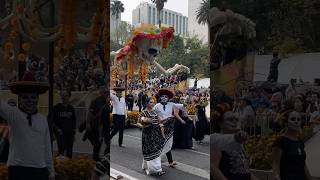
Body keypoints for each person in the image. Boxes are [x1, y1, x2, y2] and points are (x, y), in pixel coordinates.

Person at [0, 72, 55, 180]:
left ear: (37, 99)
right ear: (19, 99)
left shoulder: (42, 119)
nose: (30, 101)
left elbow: (47, 147)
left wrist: (51, 171)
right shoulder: (13, 114)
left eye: (33, 97)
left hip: (40, 170)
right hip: (18, 169)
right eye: (25, 97)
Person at [211, 111, 258, 180]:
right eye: (230, 119)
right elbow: (213, 168)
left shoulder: (238, 143)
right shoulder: (216, 139)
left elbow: (244, 170)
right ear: (220, 123)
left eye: (236, 119)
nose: (234, 121)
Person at [272, 110, 313, 180]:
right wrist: (277, 177)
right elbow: (276, 163)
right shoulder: (280, 141)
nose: (296, 121)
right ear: (286, 123)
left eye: (298, 119)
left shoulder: (300, 141)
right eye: (293, 119)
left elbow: (303, 164)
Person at [152, 89, 185, 167]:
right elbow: (152, 114)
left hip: (170, 127)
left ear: (168, 98)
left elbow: (182, 106)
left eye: (165, 96)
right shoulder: (157, 106)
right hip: (160, 127)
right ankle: (157, 159)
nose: (164, 98)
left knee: (168, 143)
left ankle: (170, 161)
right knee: (160, 144)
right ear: (160, 97)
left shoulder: (171, 104)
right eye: (162, 96)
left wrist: (185, 103)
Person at [140, 97, 168, 176]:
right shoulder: (143, 112)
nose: (152, 104)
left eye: (153, 102)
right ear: (147, 103)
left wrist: (167, 120)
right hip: (147, 135)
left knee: (155, 151)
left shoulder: (155, 112)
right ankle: (155, 169)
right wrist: (145, 122)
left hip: (155, 134)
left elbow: (160, 122)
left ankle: (156, 169)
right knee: (149, 150)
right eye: (151, 102)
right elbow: (139, 122)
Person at [85, 86, 108, 161]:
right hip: (96, 126)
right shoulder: (95, 101)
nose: (107, 94)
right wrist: (88, 124)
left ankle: (104, 160)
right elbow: (90, 113)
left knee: (106, 145)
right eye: (105, 92)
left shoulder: (108, 101)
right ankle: (95, 160)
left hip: (105, 126)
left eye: (108, 92)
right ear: (100, 93)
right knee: (97, 145)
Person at [53, 90, 76, 158]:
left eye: (65, 96)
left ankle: (68, 165)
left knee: (69, 150)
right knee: (61, 149)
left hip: (69, 132)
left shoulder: (71, 108)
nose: (64, 97)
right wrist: (57, 129)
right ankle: (60, 165)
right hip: (60, 132)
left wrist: (74, 132)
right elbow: (52, 120)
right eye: (62, 95)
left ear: (69, 97)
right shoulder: (57, 107)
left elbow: (73, 120)